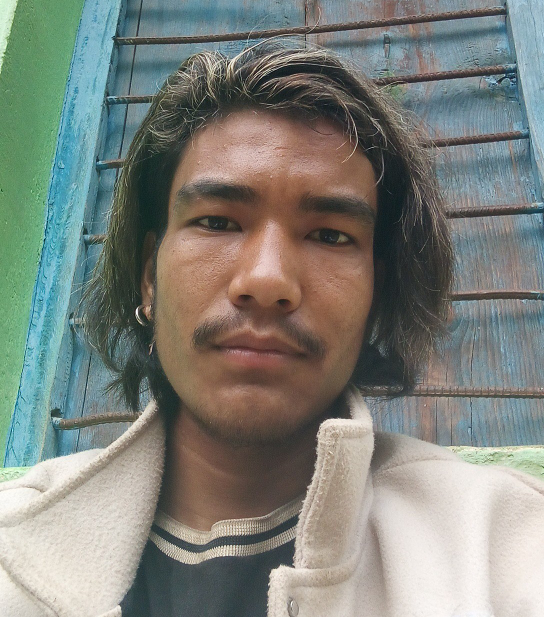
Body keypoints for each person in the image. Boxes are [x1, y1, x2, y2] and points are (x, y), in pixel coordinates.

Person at [1, 42, 543, 617]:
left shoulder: (497, 546)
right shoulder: (17, 548)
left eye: (330, 235)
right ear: (149, 280)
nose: (266, 280)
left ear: (374, 295)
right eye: (217, 222)